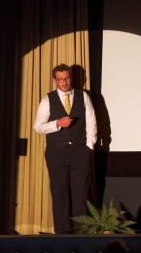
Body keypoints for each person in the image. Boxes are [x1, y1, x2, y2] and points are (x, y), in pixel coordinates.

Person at [33, 63, 97, 234]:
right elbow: (38, 127)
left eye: (67, 78)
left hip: (79, 151)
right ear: (55, 80)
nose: (64, 82)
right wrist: (57, 124)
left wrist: (89, 147)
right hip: (56, 153)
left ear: (71, 78)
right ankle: (62, 234)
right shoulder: (47, 100)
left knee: (80, 194)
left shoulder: (83, 96)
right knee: (59, 193)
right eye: (60, 79)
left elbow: (91, 121)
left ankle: (81, 233)